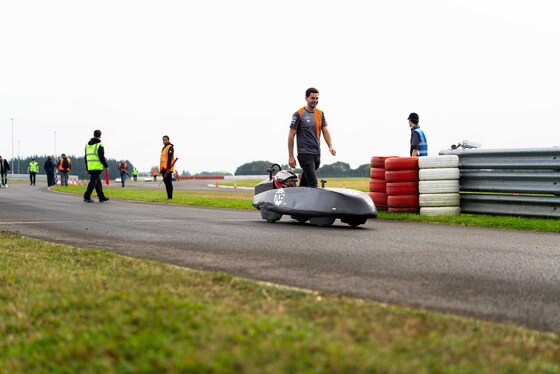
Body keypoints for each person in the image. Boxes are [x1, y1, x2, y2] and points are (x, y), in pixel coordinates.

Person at [288, 87, 336, 187]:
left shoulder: (320, 114)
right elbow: (291, 135)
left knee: (305, 182)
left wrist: (330, 146)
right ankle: (319, 202)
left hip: (316, 154)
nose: (315, 101)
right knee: (313, 183)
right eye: (312, 98)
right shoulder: (298, 114)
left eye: (317, 98)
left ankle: (299, 198)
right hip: (304, 153)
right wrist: (291, 156)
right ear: (306, 98)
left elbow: (325, 131)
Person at [83, 129, 109, 203]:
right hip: (97, 166)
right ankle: (87, 196)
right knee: (93, 182)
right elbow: (101, 157)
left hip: (90, 166)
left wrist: (87, 167)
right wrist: (106, 165)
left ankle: (101, 197)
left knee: (97, 182)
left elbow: (86, 157)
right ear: (100, 136)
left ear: (93, 134)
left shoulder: (87, 145)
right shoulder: (99, 145)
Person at [160, 135, 175, 199]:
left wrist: (168, 168)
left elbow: (169, 158)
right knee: (166, 183)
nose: (164, 141)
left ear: (168, 140)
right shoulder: (163, 148)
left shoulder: (170, 147)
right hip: (163, 169)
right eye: (163, 140)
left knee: (169, 183)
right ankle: (168, 197)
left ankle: (170, 197)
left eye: (166, 140)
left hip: (168, 169)